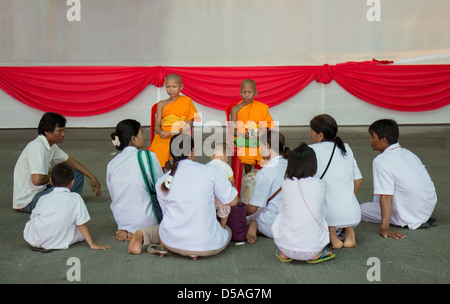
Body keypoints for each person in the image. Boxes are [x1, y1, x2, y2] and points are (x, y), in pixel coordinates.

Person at [128, 134, 239, 260]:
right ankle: (194, 249)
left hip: (173, 243)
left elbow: (166, 215)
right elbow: (233, 201)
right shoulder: (209, 171)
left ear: (172, 154)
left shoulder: (164, 180)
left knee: (166, 225)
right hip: (208, 246)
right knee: (227, 229)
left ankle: (143, 234)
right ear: (192, 152)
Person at [361, 119, 437, 239]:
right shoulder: (409, 154)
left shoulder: (381, 161)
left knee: (361, 210)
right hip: (426, 208)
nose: (370, 140)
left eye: (372, 136)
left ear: (384, 140)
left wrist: (385, 229)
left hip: (411, 213)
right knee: (380, 194)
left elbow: (386, 195)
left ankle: (404, 218)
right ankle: (414, 216)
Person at [13, 112, 101, 213]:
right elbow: (37, 180)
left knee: (76, 174)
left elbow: (70, 161)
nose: (63, 134)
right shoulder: (37, 147)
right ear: (47, 131)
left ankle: (66, 202)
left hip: (42, 190)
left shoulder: (50, 146)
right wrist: (53, 175)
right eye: (60, 131)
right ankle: (67, 202)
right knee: (65, 180)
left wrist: (91, 176)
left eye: (64, 131)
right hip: (29, 201)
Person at [23, 162, 110, 251]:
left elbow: (32, 218)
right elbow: (82, 224)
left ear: (51, 181)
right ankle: (57, 239)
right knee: (78, 229)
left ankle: (44, 237)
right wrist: (92, 244)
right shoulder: (76, 198)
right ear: (72, 182)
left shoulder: (43, 198)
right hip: (59, 241)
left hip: (35, 240)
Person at [272, 143, 335, 263]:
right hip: (314, 248)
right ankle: (318, 254)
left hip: (285, 246)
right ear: (313, 164)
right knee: (321, 214)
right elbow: (322, 211)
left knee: (283, 212)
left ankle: (284, 253)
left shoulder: (286, 183)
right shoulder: (320, 185)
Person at [309, 114, 362, 249]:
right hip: (353, 213)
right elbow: (358, 180)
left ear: (320, 135)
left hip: (329, 215)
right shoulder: (346, 148)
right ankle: (349, 231)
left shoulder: (311, 150)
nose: (310, 134)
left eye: (311, 131)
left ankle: (333, 236)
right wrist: (348, 198)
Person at [106, 119, 164, 241]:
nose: (144, 136)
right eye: (142, 133)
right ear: (133, 138)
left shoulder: (112, 163)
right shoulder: (147, 156)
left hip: (121, 221)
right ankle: (142, 234)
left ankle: (128, 232)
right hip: (145, 220)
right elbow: (161, 187)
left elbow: (113, 195)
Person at [149, 73, 201, 171]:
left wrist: (179, 132)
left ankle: (178, 172)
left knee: (180, 148)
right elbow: (156, 126)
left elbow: (190, 123)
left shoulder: (187, 101)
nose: (171, 89)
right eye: (168, 87)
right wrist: (160, 132)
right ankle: (169, 173)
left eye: (174, 86)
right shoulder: (161, 104)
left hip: (181, 133)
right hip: (165, 134)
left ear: (181, 87)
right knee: (158, 149)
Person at [246, 130, 289, 244]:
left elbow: (252, 208)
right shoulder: (290, 164)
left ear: (268, 146)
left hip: (272, 224)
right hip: (291, 221)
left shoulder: (265, 173)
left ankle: (253, 226)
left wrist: (237, 212)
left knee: (247, 217)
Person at [230, 79, 275, 174]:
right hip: (241, 137)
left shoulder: (261, 108)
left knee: (267, 147)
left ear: (255, 93)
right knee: (248, 149)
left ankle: (262, 175)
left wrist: (260, 135)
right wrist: (244, 134)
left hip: (258, 136)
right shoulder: (235, 109)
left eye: (249, 92)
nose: (246, 95)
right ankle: (249, 175)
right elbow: (232, 130)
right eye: (243, 92)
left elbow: (265, 126)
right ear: (240, 92)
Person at [206, 142, 235, 228]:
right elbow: (231, 180)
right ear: (226, 157)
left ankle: (212, 226)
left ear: (212, 156)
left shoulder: (207, 165)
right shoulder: (226, 167)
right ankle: (222, 226)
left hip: (210, 195)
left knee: (210, 212)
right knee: (225, 211)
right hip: (222, 196)